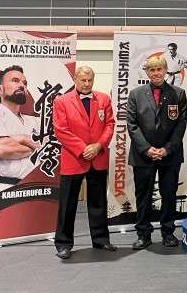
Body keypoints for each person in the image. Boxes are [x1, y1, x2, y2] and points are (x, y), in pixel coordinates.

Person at [52, 66, 116, 259]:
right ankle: (63, 244)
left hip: (98, 157)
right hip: (74, 158)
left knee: (99, 202)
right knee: (68, 204)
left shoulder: (104, 99)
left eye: (90, 80)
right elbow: (60, 130)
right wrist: (82, 149)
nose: (87, 84)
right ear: (75, 79)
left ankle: (101, 239)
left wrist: (98, 145)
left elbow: (110, 124)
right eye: (83, 80)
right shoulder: (61, 101)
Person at [127, 56, 187, 249]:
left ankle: (168, 232)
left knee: (169, 194)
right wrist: (147, 148)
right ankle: (143, 234)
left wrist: (167, 149)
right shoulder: (135, 94)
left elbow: (181, 125)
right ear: (147, 72)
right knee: (143, 196)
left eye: (159, 69)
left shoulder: (178, 94)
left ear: (165, 70)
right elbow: (132, 125)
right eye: (152, 70)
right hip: (142, 154)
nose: (156, 73)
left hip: (170, 154)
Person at [0, 65, 40, 203]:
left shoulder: (35, 121)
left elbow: (49, 149)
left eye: (24, 83)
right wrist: (30, 143)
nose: (22, 85)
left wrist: (18, 140)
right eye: (15, 80)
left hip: (33, 190)